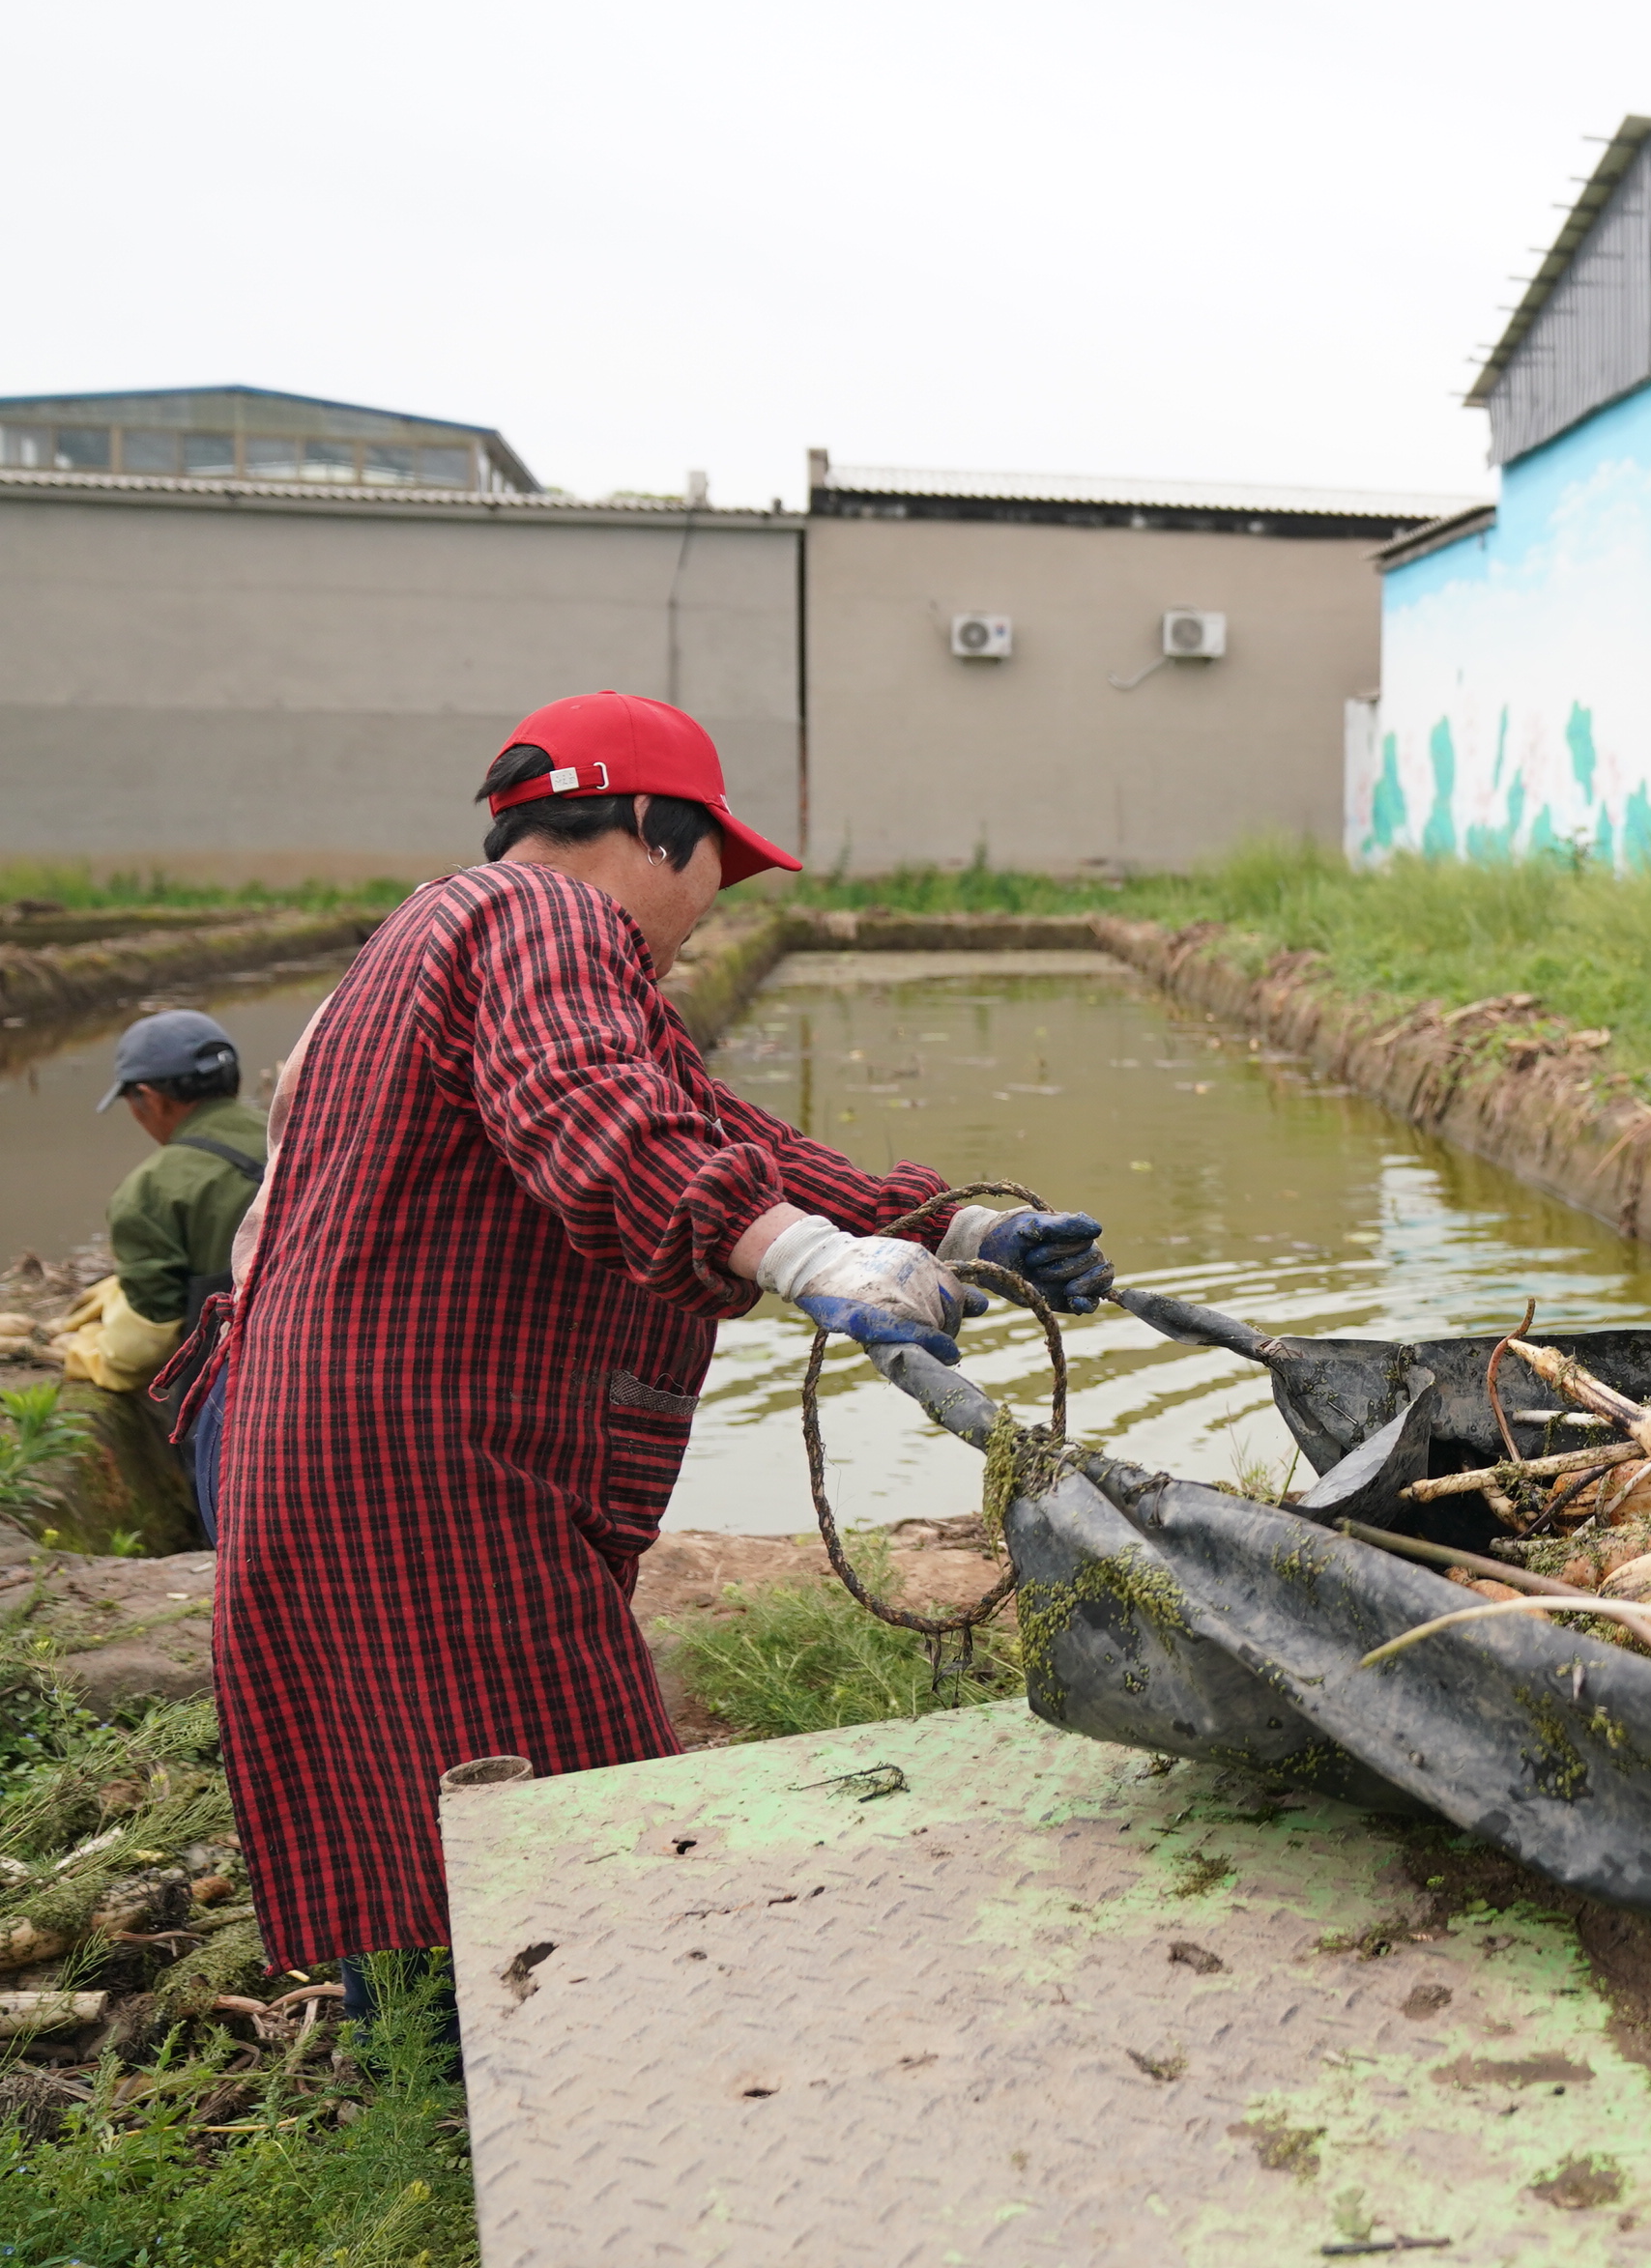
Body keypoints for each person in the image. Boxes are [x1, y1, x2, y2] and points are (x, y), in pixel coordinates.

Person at [185, 689, 1117, 2021]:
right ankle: (571, 2074)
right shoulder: (542, 916)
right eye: (714, 873)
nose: (707, 915)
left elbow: (722, 1131)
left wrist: (958, 1228)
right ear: (647, 824)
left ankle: (428, 2074)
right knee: (572, 1821)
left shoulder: (434, 935)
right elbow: (590, 1100)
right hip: (431, 1468)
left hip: (312, 1443)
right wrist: (805, 1256)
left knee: (409, 1786)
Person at [44, 1011, 265, 1546]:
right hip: (350, 1367)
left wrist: (81, 1350)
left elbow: (142, 1347)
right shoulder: (300, 1133)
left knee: (235, 1535)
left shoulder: (152, 1189)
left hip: (237, 1408)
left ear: (150, 1098)